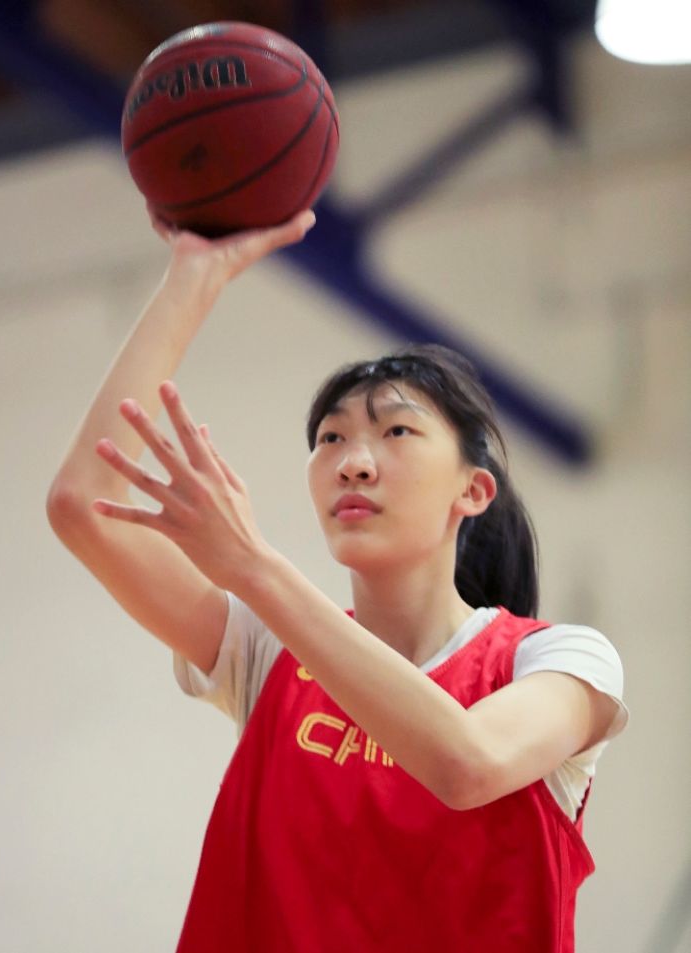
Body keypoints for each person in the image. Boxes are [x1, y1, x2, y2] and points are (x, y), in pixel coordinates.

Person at [47, 209, 627, 953]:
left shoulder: (560, 661)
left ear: (473, 491)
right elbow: (80, 505)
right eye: (331, 437)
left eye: (396, 431)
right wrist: (192, 277)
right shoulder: (265, 652)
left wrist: (254, 566)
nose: (354, 459)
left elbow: (466, 763)